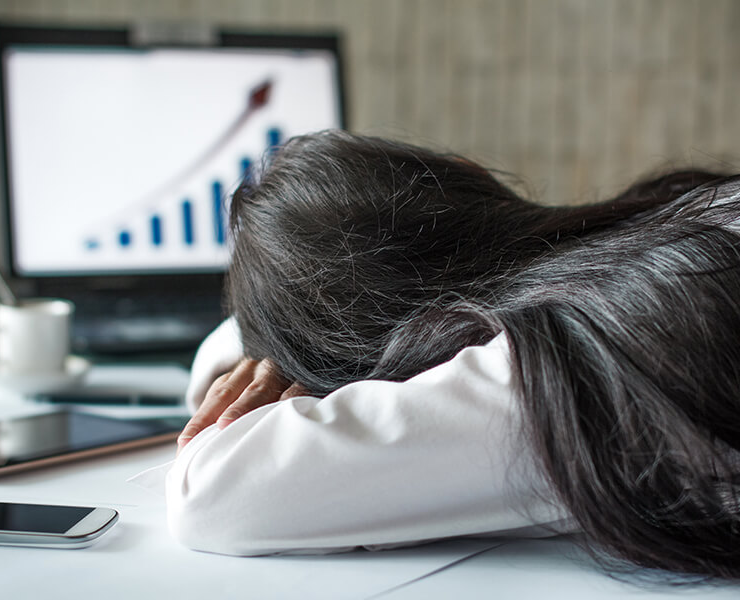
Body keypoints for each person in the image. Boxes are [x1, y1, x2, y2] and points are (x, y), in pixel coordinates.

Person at [167, 130, 740, 579]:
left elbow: (216, 494)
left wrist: (283, 343)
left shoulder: (572, 359)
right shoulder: (686, 219)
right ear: (474, 173)